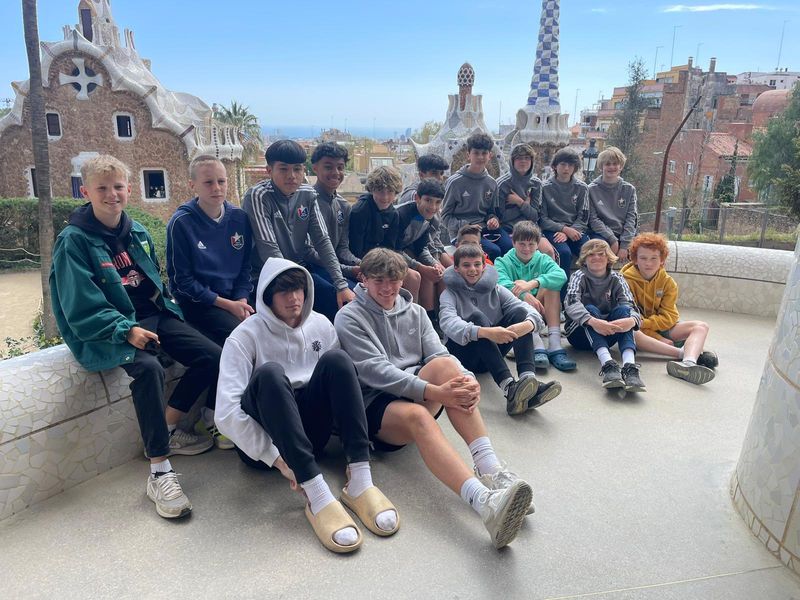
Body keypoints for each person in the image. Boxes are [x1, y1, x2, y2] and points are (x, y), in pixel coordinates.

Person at [50, 155, 219, 519]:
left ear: (128, 189)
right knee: (149, 370)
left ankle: (170, 428)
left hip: (153, 317)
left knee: (213, 355)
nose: (112, 195)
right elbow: (81, 307)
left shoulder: (137, 232)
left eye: (118, 187)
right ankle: (159, 471)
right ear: (86, 191)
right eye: (102, 188)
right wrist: (126, 330)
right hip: (110, 329)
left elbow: (154, 286)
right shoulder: (74, 242)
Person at [335, 248, 533, 550]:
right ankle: (484, 503)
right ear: (362, 279)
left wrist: (466, 379)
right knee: (420, 417)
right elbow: (377, 372)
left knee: (448, 368)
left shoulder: (414, 312)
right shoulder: (348, 317)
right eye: (379, 281)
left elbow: (440, 353)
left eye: (394, 281)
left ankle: (491, 470)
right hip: (377, 405)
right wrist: (437, 393)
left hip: (419, 390)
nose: (388, 289)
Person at [439, 243, 562, 415]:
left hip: (490, 353)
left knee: (519, 313)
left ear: (484, 266)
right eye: (466, 265)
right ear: (457, 269)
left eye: (477, 264)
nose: (472, 269)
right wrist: (485, 332)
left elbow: (527, 310)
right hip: (464, 355)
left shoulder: (497, 289)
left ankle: (528, 382)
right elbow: (447, 322)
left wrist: (528, 325)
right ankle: (509, 387)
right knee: (477, 317)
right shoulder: (449, 294)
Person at [242, 139, 354, 322]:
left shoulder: (307, 193)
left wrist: (341, 285)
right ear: (269, 171)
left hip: (300, 268)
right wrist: (298, 287)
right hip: (266, 275)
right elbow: (268, 249)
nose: (292, 176)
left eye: (297, 169)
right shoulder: (259, 195)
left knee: (345, 300)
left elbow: (322, 241)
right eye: (283, 169)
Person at [621, 233, 718, 384]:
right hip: (640, 332)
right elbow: (631, 320)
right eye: (643, 258)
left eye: (654, 258)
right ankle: (685, 353)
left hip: (658, 326)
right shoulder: (624, 281)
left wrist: (658, 333)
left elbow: (670, 317)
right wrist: (659, 338)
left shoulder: (668, 282)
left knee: (701, 326)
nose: (649, 263)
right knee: (630, 331)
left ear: (662, 260)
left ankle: (689, 363)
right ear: (634, 259)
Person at [564, 239, 647, 392]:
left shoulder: (617, 278)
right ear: (584, 259)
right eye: (591, 255)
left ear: (609, 257)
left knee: (624, 312)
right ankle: (608, 365)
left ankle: (630, 367)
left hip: (607, 332)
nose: (596, 258)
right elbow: (571, 303)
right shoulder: (578, 276)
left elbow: (630, 304)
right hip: (579, 334)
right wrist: (594, 322)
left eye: (601, 254)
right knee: (590, 309)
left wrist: (632, 320)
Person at [495, 221, 576, 372]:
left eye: (531, 244)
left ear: (538, 244)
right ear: (513, 243)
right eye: (522, 244)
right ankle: (537, 344)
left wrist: (532, 284)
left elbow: (561, 275)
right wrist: (525, 295)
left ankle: (554, 345)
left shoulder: (543, 259)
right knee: (513, 289)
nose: (526, 248)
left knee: (552, 285)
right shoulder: (502, 261)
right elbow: (499, 282)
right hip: (516, 315)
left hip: (541, 310)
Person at [348, 165, 421, 300]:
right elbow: (355, 248)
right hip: (363, 261)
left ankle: (410, 315)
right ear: (372, 190)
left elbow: (394, 247)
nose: (386, 197)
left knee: (414, 277)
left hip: (385, 258)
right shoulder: (360, 211)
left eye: (390, 191)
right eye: (380, 191)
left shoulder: (393, 213)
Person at [441, 132, 511, 261]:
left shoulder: (491, 183)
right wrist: (466, 224)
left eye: (484, 153)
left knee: (509, 247)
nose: (480, 157)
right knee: (493, 251)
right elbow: (445, 217)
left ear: (490, 155)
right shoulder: (455, 182)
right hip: (462, 233)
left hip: (485, 229)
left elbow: (491, 212)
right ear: (469, 155)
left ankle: (508, 279)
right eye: (476, 153)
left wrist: (493, 220)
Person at [308, 142, 360, 288]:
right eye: (328, 167)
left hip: (335, 268)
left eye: (340, 167)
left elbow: (342, 249)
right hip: (312, 269)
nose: (336, 172)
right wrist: (347, 270)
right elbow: (309, 252)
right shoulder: (305, 202)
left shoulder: (343, 206)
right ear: (315, 168)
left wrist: (361, 264)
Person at [396, 178, 448, 316]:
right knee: (417, 275)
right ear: (417, 198)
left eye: (437, 202)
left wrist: (433, 263)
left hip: (407, 251)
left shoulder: (430, 218)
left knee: (440, 272)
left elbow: (421, 247)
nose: (433, 207)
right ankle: (413, 318)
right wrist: (419, 266)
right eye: (428, 200)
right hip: (389, 252)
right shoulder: (402, 215)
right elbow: (394, 249)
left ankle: (433, 317)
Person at [496, 143, 555, 260]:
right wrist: (526, 205)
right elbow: (501, 217)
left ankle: (547, 278)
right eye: (519, 158)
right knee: (512, 250)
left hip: (531, 228)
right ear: (512, 161)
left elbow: (534, 216)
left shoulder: (536, 183)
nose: (523, 161)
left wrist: (519, 202)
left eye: (527, 158)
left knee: (548, 251)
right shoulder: (502, 183)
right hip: (508, 228)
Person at [540, 147, 590, 284]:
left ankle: (587, 291)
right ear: (555, 166)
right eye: (562, 164)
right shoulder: (545, 187)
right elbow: (542, 219)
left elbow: (584, 216)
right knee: (564, 253)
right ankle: (562, 298)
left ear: (575, 168)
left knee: (591, 251)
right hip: (553, 231)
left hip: (575, 230)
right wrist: (563, 229)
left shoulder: (582, 188)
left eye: (570, 165)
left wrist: (569, 231)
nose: (566, 168)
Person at [397, 153, 453, 269]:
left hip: (427, 246)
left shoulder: (436, 196)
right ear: (421, 175)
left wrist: (439, 256)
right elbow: (412, 238)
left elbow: (433, 234)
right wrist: (434, 261)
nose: (439, 178)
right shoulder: (414, 197)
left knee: (453, 271)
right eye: (434, 173)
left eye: (441, 173)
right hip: (408, 249)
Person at [587, 146, 638, 263]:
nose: (612, 167)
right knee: (600, 253)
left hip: (625, 234)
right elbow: (593, 220)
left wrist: (624, 245)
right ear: (601, 166)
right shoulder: (591, 190)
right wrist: (612, 240)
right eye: (607, 164)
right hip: (601, 234)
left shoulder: (629, 189)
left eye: (615, 164)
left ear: (621, 166)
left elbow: (632, 219)